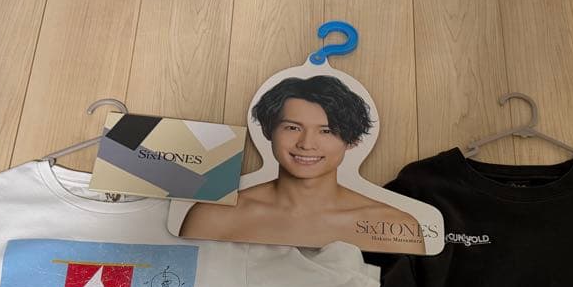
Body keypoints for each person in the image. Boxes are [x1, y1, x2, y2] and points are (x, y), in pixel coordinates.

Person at [179, 75, 426, 253]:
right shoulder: (212, 216)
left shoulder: (396, 227)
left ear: (352, 140)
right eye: (292, 127)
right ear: (268, 131)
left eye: (326, 131)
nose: (306, 144)